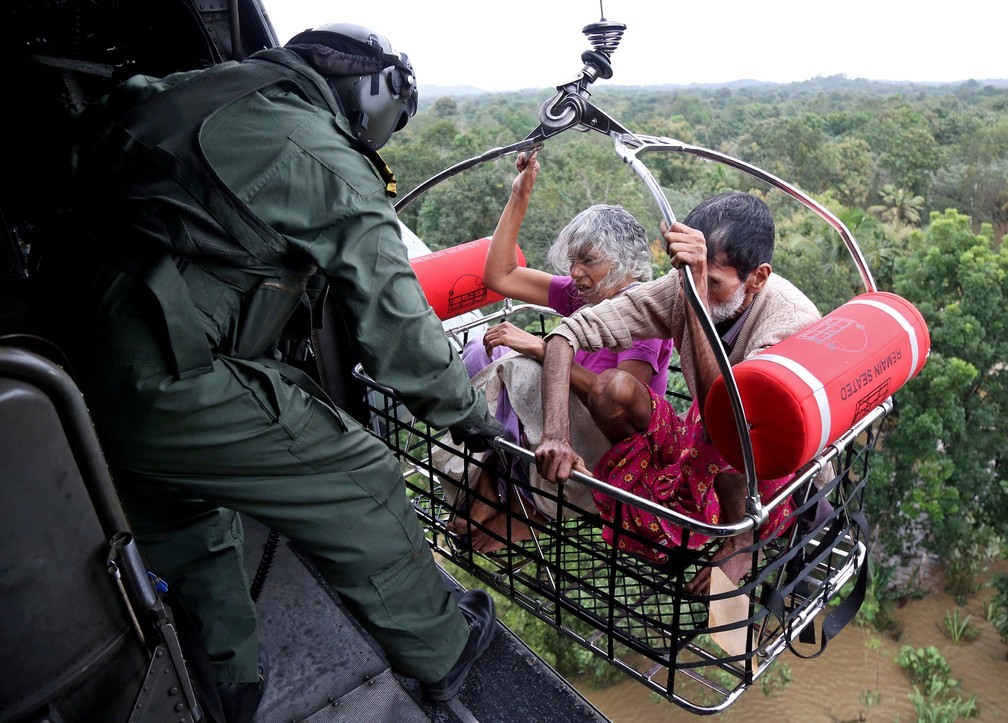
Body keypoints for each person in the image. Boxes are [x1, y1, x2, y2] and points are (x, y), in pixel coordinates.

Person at [36, 22, 501, 720]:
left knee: (192, 523)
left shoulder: (190, 91)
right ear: (376, 94)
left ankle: (226, 685)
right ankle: (444, 649)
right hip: (164, 373)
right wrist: (468, 415)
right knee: (360, 479)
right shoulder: (320, 153)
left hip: (70, 365)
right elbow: (400, 333)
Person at [534, 192, 821, 594]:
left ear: (756, 278)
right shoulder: (684, 284)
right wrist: (556, 435)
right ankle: (650, 490)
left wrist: (697, 300)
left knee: (735, 439)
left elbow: (732, 420)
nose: (693, 287)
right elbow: (567, 333)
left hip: (761, 456)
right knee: (610, 388)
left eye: (714, 283)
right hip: (704, 432)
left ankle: (742, 539)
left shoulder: (790, 322)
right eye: (688, 277)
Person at [442, 149, 673, 552]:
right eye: (572, 261)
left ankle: (511, 499)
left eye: (588, 261)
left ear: (623, 261)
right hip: (555, 428)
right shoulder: (583, 297)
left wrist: (539, 348)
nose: (575, 272)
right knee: (483, 346)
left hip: (603, 445)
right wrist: (520, 196)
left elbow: (614, 400)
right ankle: (499, 484)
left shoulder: (643, 314)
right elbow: (499, 274)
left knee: (520, 365)